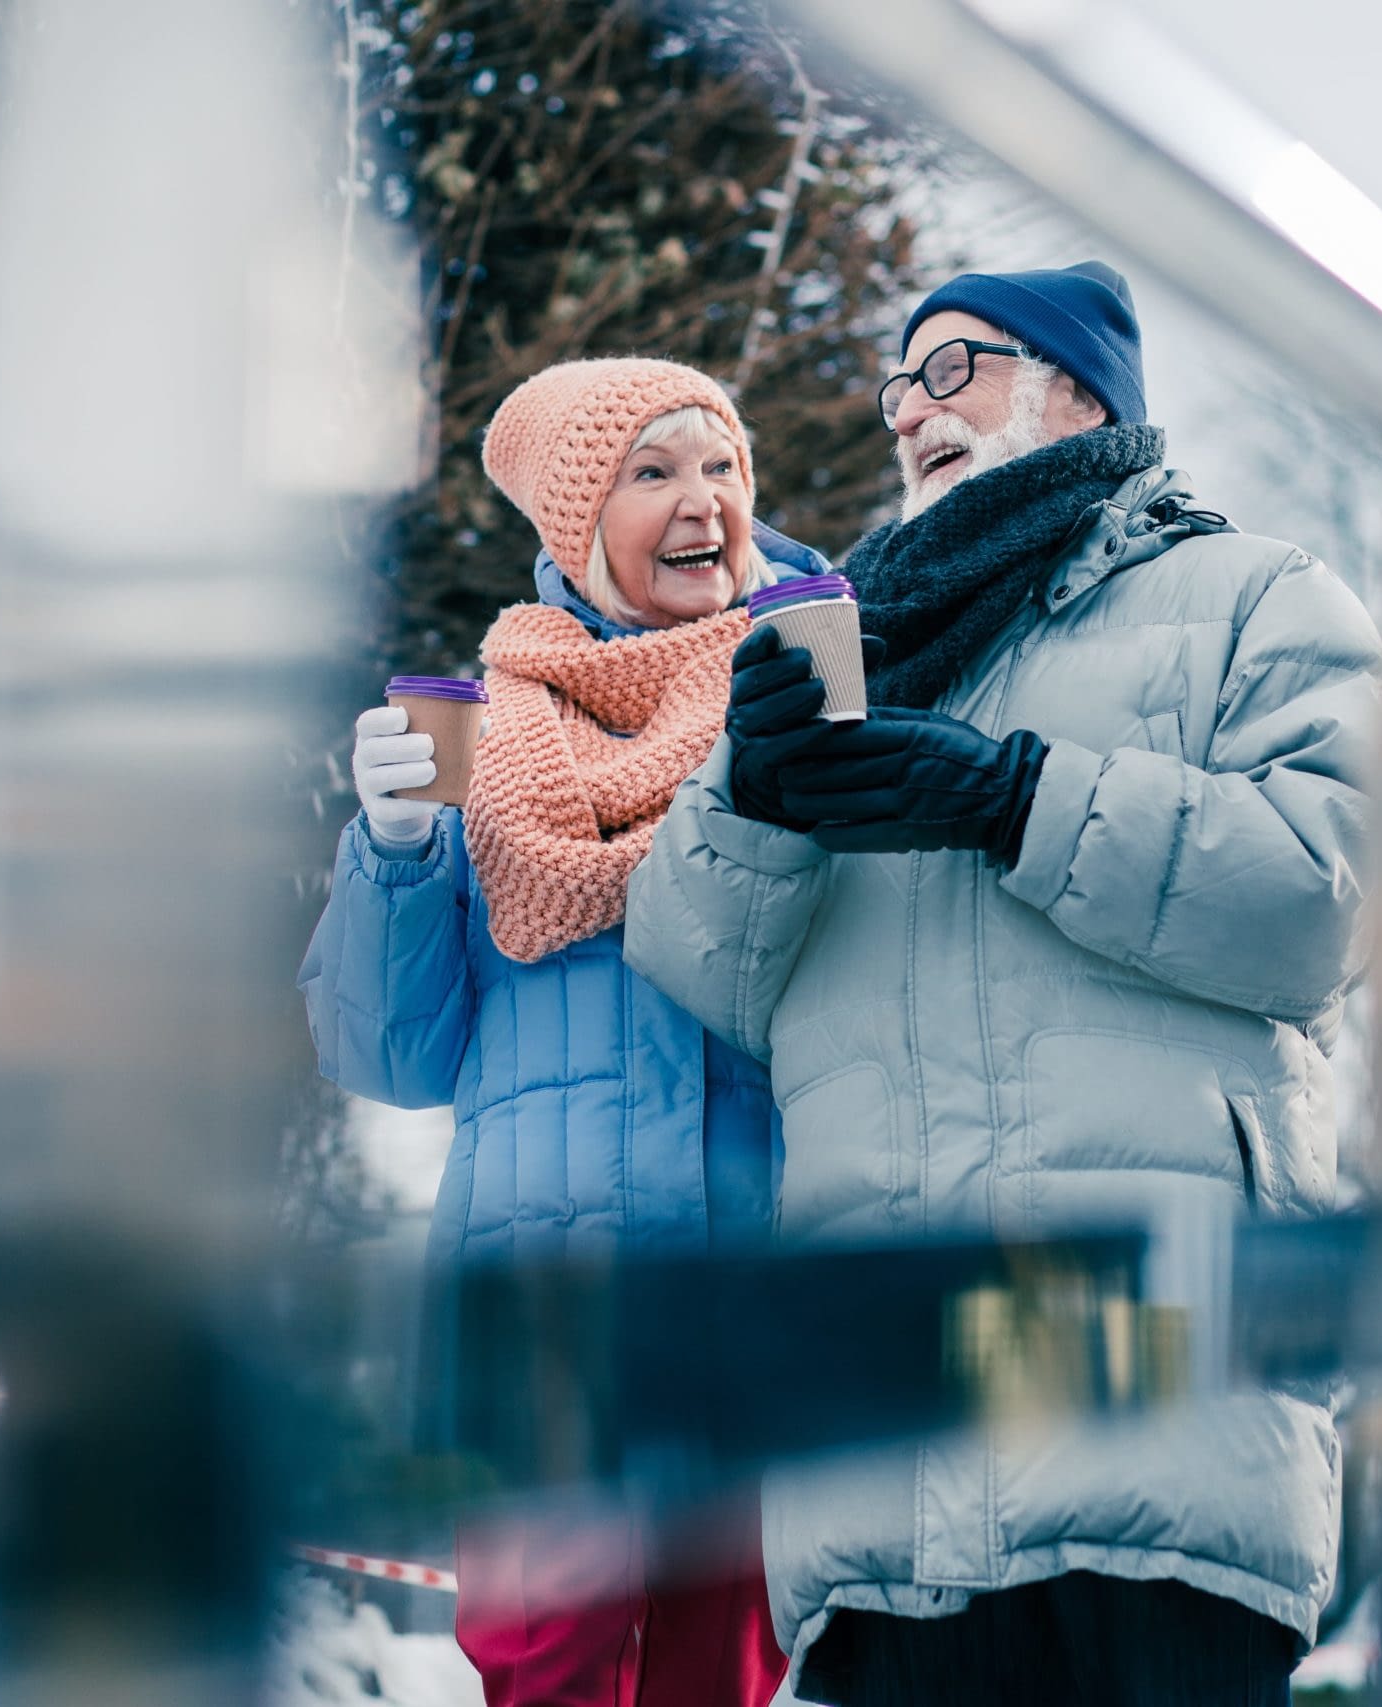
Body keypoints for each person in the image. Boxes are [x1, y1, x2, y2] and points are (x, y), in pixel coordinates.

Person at [624, 263, 1382, 1705]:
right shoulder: (839, 650)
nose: (912, 410)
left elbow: (1333, 896)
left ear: (1081, 388)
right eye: (898, 383)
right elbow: (702, 974)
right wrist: (750, 796)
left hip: (1165, 1418)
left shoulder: (1253, 596)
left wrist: (1021, 800)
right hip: (884, 1466)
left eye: (953, 368)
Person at [299, 357, 809, 1707]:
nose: (704, 500)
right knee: (551, 1675)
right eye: (654, 471)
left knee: (720, 1678)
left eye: (722, 466)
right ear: (572, 526)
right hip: (542, 1326)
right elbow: (384, 1057)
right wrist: (396, 852)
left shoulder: (801, 693)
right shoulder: (490, 745)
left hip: (747, 1295)